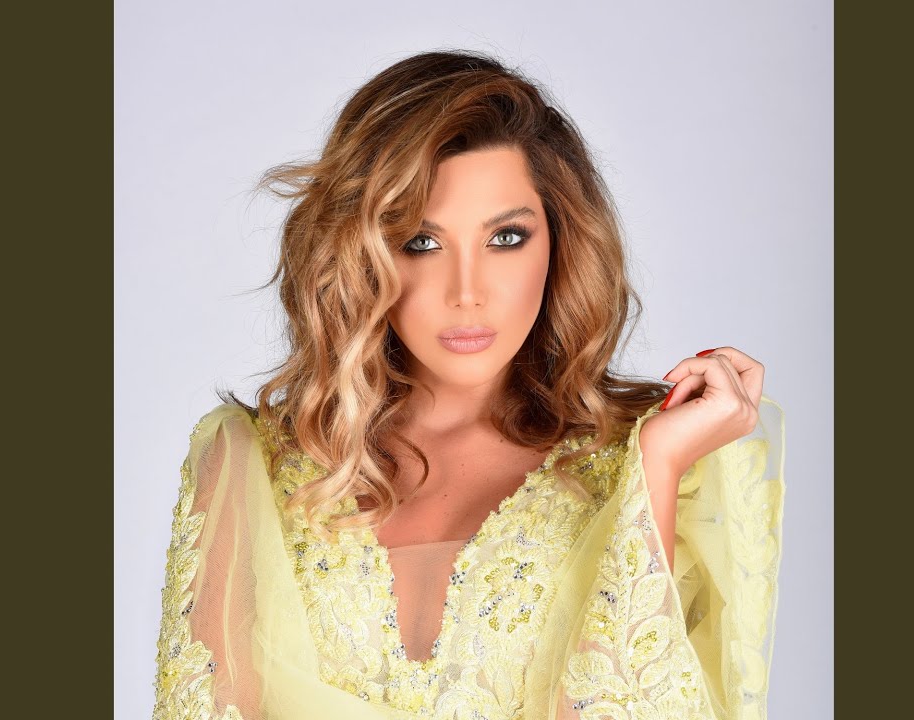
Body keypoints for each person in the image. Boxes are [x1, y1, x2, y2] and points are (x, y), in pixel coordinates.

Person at [151, 50, 785, 720]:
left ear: (560, 242)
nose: (467, 292)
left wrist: (655, 466)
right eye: (421, 243)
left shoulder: (665, 461)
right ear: (359, 254)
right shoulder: (249, 464)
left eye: (505, 238)